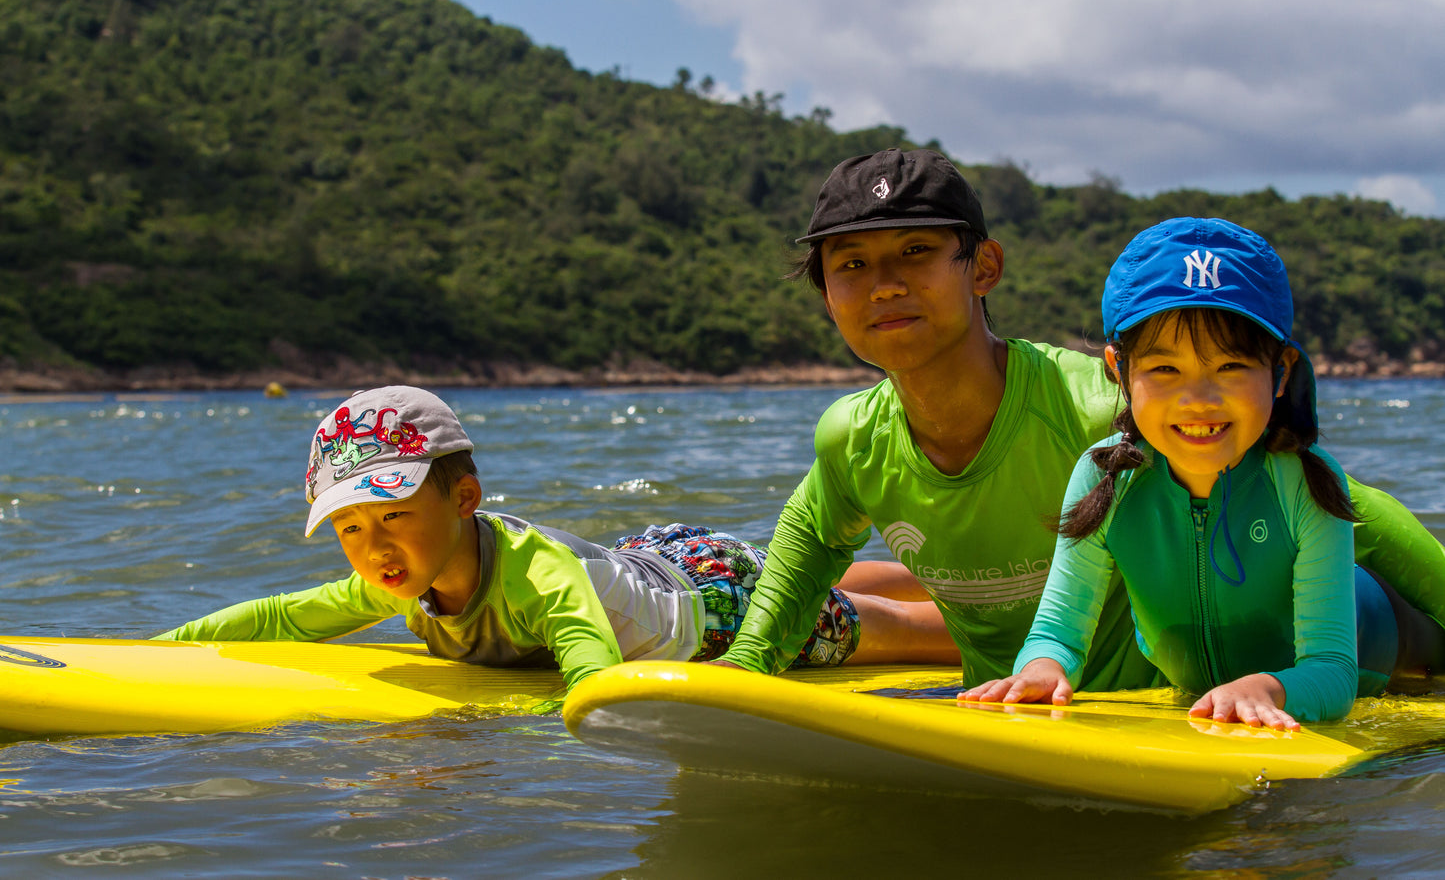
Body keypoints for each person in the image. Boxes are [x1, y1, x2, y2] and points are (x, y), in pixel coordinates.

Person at [716, 148, 1445, 696]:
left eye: (915, 252)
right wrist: (745, 667)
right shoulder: (851, 437)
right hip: (1037, 694)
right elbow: (810, 547)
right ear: (825, 293)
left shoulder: (1098, 403)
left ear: (984, 266)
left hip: (1195, 681)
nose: (884, 285)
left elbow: (1341, 504)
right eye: (851, 264)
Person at [961, 217, 1445, 728]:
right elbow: (1057, 634)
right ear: (1119, 370)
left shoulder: (1302, 479)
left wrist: (1265, 688)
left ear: (1280, 372)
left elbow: (1332, 671)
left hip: (1387, 641)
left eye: (1230, 367)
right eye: (1165, 369)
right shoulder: (1105, 475)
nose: (1198, 399)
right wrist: (1041, 669)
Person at [155, 386, 957, 691]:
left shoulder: (536, 578)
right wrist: (161, 650)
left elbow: (590, 668)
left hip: (716, 610)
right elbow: (283, 617)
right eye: (349, 527)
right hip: (655, 561)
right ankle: (929, 572)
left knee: (886, 630)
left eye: (393, 515)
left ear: (464, 499)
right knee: (824, 579)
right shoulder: (401, 576)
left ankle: (987, 602)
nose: (373, 547)